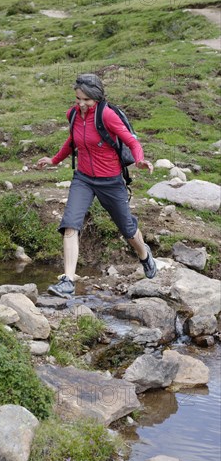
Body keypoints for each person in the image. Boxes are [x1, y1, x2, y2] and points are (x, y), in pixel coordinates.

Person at [37, 73, 157, 298]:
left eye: (86, 100)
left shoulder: (108, 116)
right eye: (78, 99)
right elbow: (72, 141)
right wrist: (53, 160)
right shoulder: (73, 115)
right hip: (83, 178)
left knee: (128, 229)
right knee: (70, 224)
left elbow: (131, 141)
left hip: (110, 181)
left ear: (97, 98)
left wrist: (139, 160)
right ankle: (68, 280)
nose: (81, 104)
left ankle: (144, 255)